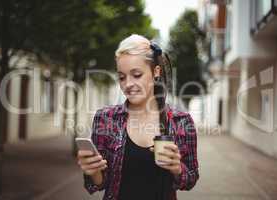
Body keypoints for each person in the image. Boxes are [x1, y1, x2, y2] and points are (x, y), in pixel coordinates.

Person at [77, 34, 199, 200]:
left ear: (156, 72)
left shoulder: (181, 122)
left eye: (136, 75)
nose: (128, 84)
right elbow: (100, 183)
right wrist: (93, 171)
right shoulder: (106, 119)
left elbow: (190, 179)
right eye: (121, 77)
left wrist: (177, 168)